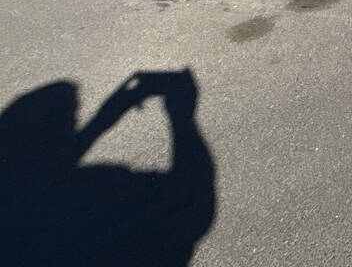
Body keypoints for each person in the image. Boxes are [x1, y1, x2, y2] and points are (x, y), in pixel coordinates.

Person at [0, 68, 216, 265]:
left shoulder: (16, 201)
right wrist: (182, 115)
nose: (75, 127)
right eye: (72, 121)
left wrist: (103, 119)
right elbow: (195, 198)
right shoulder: (94, 191)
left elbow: (52, 169)